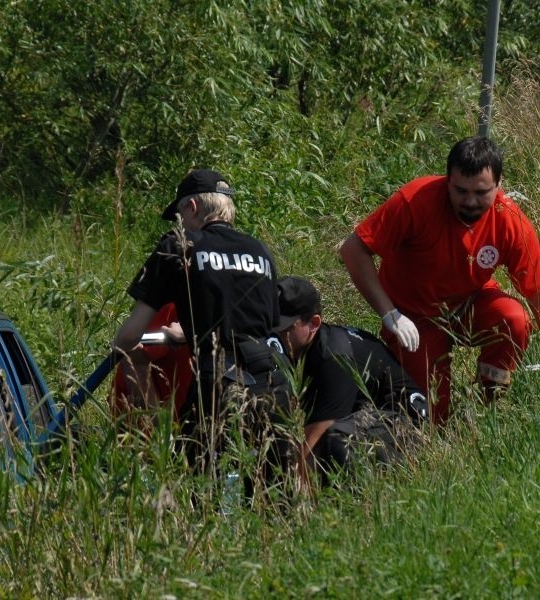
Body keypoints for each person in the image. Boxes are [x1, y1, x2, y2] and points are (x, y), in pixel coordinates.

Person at [339, 136, 540, 423]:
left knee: (515, 319)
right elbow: (353, 249)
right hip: (414, 318)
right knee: (432, 417)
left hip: (470, 304)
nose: (470, 202)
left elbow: (536, 290)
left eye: (481, 193)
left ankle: (487, 408)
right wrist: (390, 314)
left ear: (498, 185)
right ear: (447, 181)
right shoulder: (416, 200)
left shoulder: (509, 219)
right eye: (460, 191)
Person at [113, 169, 292, 475]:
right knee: (269, 495)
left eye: (179, 214)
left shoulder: (179, 245)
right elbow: (256, 326)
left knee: (200, 492)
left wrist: (120, 347)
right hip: (274, 386)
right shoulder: (259, 250)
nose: (178, 224)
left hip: (219, 387)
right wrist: (190, 330)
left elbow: (130, 336)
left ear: (192, 208)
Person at [275, 276, 428, 480]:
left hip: (405, 429)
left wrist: (291, 500)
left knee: (333, 442)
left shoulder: (333, 357)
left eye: (285, 329)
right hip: (365, 420)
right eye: (271, 324)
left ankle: (349, 503)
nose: (275, 334)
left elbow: (313, 442)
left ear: (314, 323)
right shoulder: (301, 345)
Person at [109, 303, 193, 431]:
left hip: (197, 426)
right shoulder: (174, 303)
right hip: (146, 430)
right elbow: (133, 358)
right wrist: (161, 434)